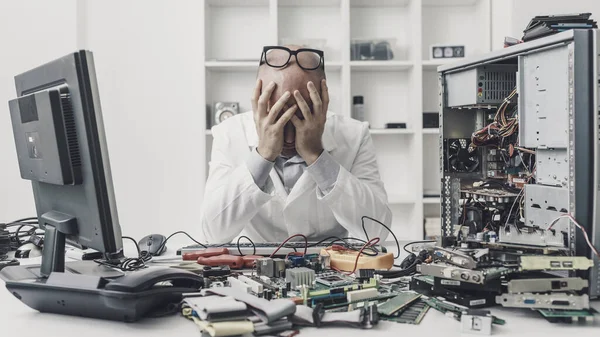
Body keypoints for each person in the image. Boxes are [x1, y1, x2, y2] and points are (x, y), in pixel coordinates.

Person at [201, 45, 392, 243]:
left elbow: (377, 232)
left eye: (302, 117)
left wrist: (316, 156)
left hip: (329, 268)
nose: (291, 139)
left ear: (324, 102)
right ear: (258, 100)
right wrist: (263, 154)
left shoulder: (355, 134)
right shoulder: (229, 133)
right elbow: (213, 233)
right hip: (253, 268)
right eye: (278, 116)